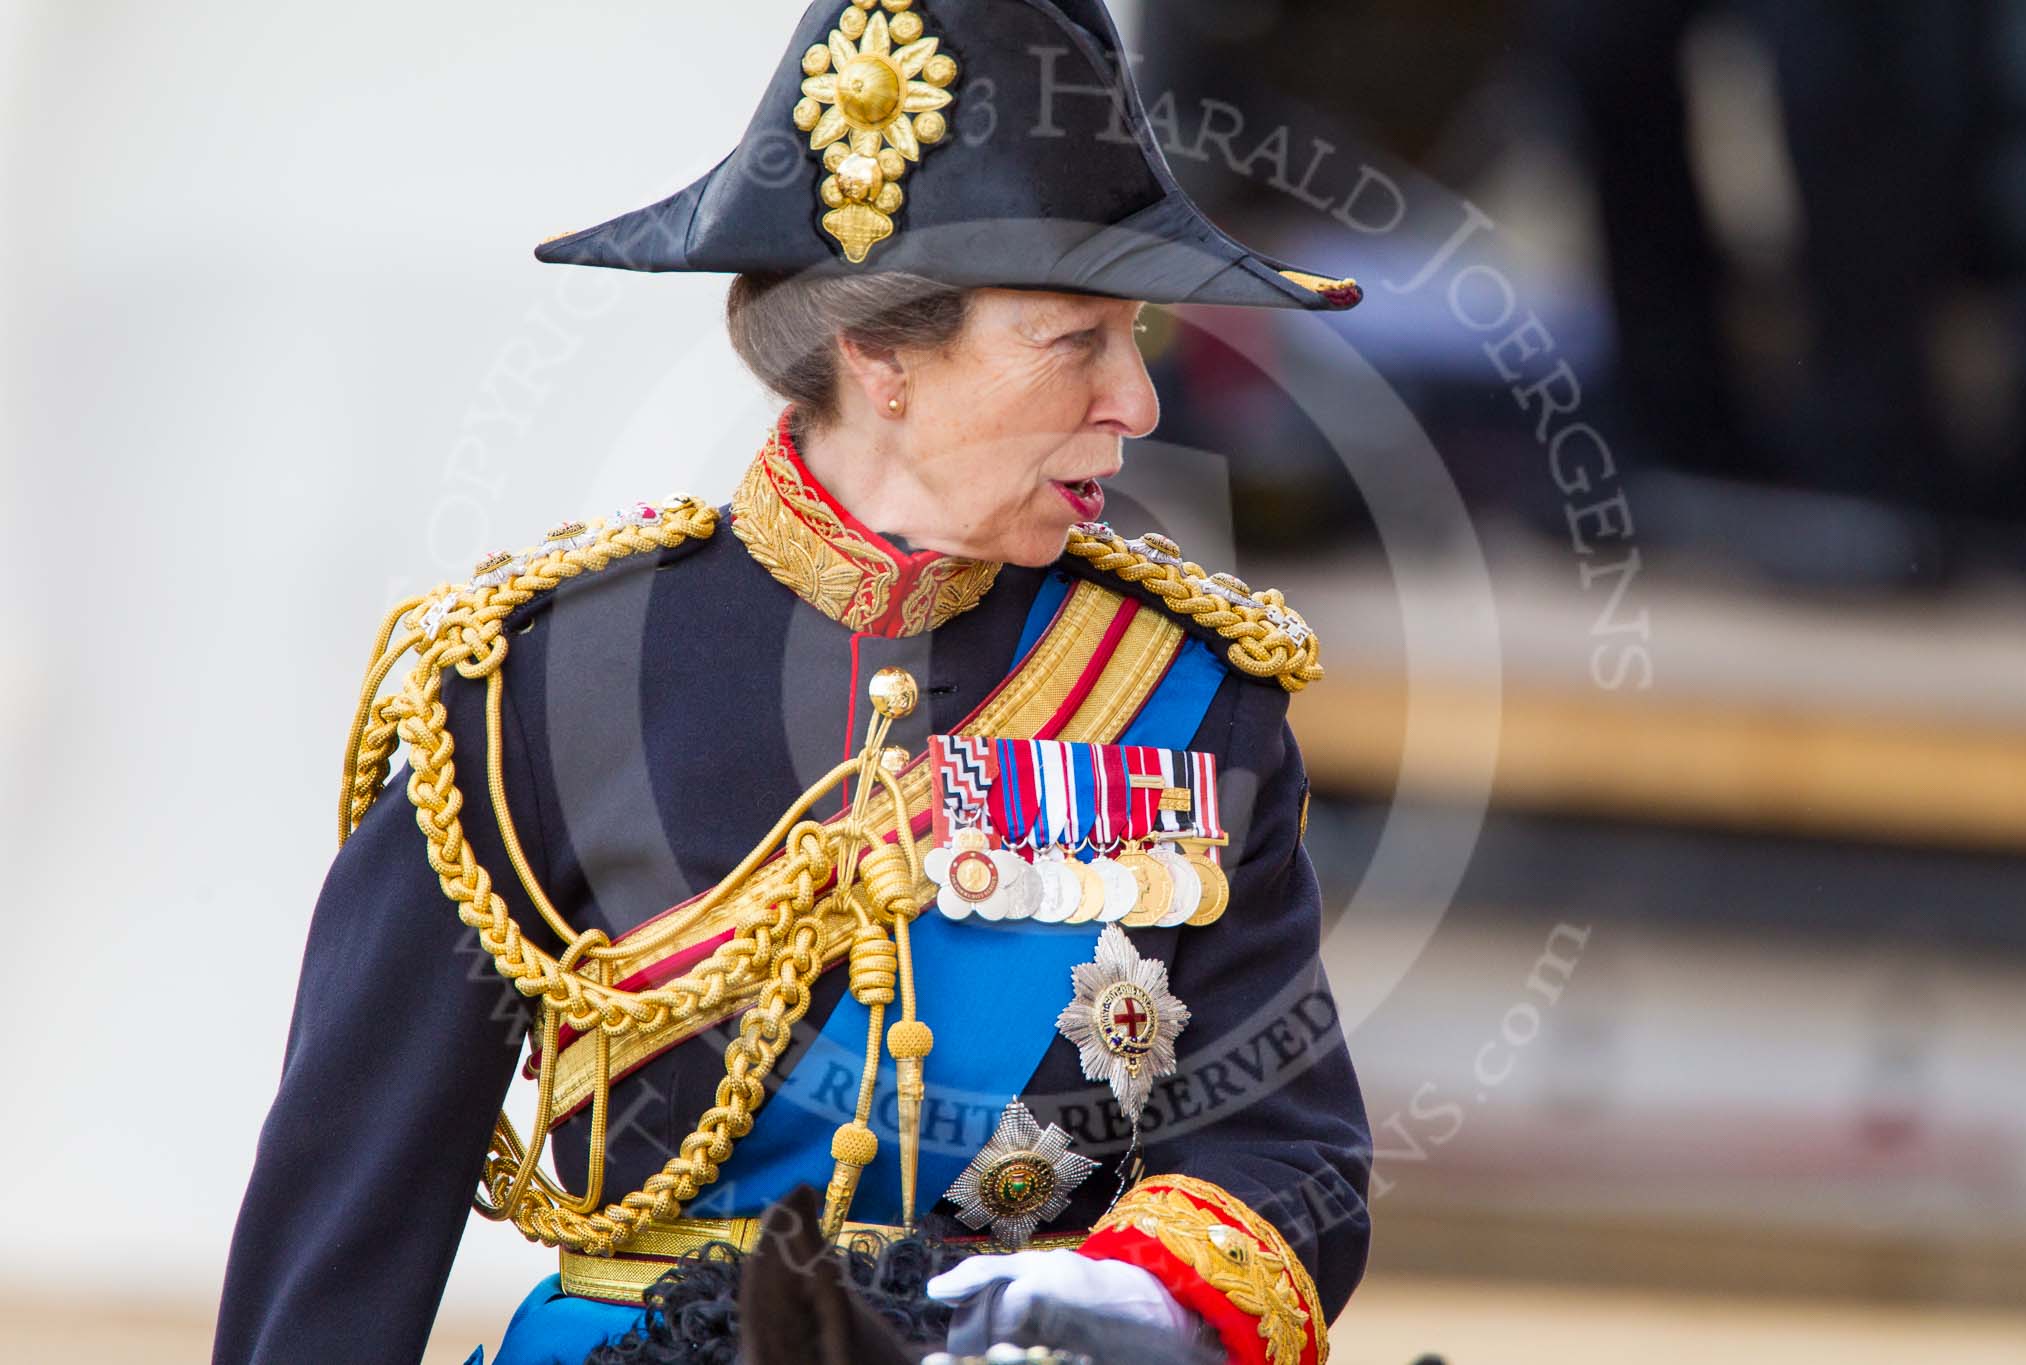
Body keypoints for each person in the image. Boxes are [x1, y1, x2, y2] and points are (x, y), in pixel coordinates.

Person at [215, 2, 1372, 1362]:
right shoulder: (533, 680)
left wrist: (1127, 1299)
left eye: (1136, 334)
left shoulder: (1189, 695)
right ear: (877, 352)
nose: (1138, 398)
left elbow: (1289, 1147)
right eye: (1074, 339)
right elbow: (341, 1244)